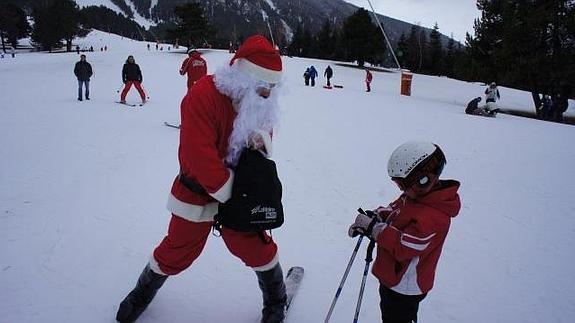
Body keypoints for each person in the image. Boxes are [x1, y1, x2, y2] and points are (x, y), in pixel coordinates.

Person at [116, 35, 287, 323]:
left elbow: (266, 123)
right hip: (198, 190)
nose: (268, 95)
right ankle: (142, 293)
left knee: (254, 246)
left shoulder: (258, 98)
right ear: (242, 79)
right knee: (177, 248)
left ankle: (276, 298)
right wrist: (232, 194)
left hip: (240, 191)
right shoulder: (202, 96)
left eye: (273, 88)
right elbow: (198, 157)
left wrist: (262, 140)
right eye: (263, 88)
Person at [348, 141, 461, 323]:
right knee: (388, 312)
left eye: (402, 185)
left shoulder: (434, 216)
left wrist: (373, 228)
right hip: (392, 277)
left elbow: (405, 246)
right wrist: (377, 216)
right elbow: (396, 210)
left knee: (397, 317)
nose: (401, 190)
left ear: (422, 180)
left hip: (405, 286)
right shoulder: (416, 195)